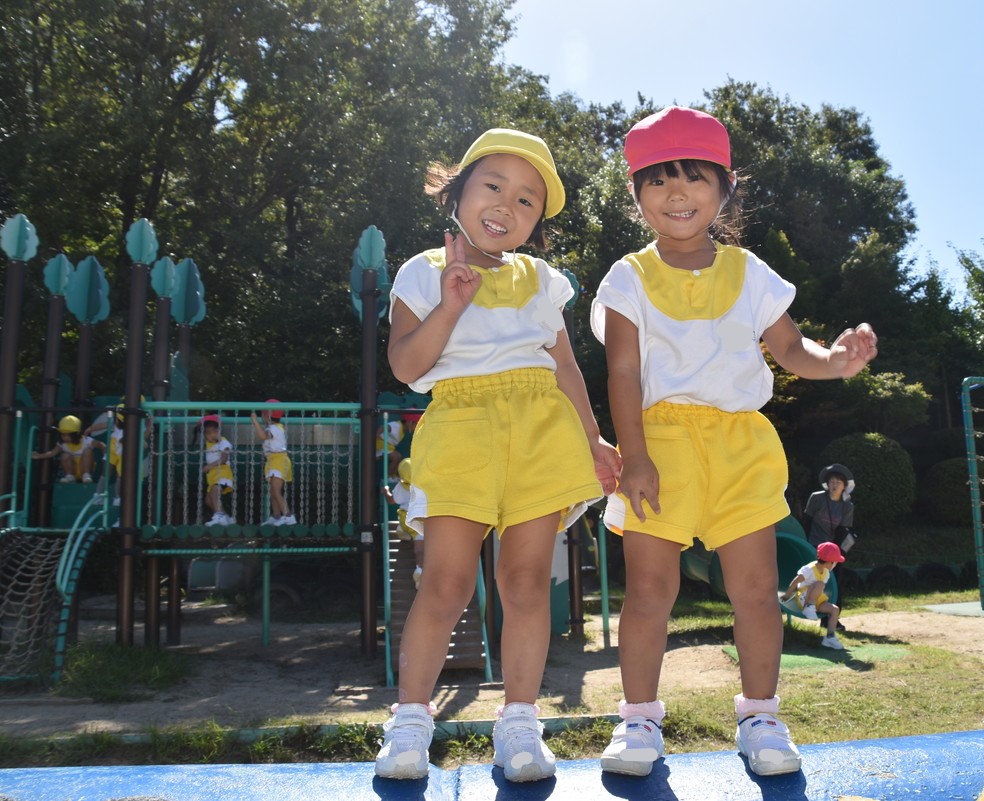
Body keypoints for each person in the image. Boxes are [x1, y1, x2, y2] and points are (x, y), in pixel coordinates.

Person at [590, 106, 877, 777]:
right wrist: (633, 456)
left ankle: (760, 716)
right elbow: (623, 373)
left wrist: (835, 359)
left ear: (724, 189)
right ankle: (637, 721)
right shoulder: (627, 277)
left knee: (754, 589)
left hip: (740, 446)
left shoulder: (750, 271)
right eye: (659, 181)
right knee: (649, 593)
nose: (678, 193)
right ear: (637, 197)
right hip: (658, 443)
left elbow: (790, 348)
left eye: (695, 177)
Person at [375, 128, 621, 783]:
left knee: (525, 582)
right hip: (460, 427)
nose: (507, 204)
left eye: (527, 200)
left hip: (541, 429)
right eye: (493, 185)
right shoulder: (423, 271)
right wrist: (452, 304)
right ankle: (408, 723)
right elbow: (405, 365)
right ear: (457, 189)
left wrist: (593, 438)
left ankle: (518, 723)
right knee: (447, 582)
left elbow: (566, 366)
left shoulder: (542, 281)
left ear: (536, 222)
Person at [783, 541, 846, 650]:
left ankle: (830, 637)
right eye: (835, 562)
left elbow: (819, 590)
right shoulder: (809, 569)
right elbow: (796, 580)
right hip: (804, 597)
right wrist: (787, 595)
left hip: (816, 599)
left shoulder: (826, 572)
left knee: (835, 610)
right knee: (820, 584)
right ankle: (808, 607)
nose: (836, 564)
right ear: (828, 562)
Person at [249, 400, 296, 526]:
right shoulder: (275, 427)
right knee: (272, 490)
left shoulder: (274, 428)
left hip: (279, 460)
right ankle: (276, 516)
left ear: (266, 415)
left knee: (275, 489)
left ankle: (288, 515)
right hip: (273, 460)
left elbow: (263, 436)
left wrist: (255, 422)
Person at [382, 457, 423, 587]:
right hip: (421, 520)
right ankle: (420, 570)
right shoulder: (425, 486)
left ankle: (402, 530)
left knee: (406, 524)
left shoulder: (402, 486)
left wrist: (386, 491)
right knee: (420, 549)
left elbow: (392, 501)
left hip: (406, 518)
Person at [33, 415, 104, 483]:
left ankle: (86, 475)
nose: (64, 437)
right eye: (62, 435)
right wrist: (39, 455)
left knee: (88, 451)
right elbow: (52, 453)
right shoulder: (62, 444)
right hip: (73, 468)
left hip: (85, 467)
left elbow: (98, 444)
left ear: (77, 433)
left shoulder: (85, 440)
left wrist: (105, 449)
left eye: (68, 435)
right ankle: (70, 476)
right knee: (65, 455)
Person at [802, 463, 855, 549]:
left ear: (844, 486)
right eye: (832, 482)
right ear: (827, 484)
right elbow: (806, 522)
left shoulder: (848, 506)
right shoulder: (816, 497)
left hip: (830, 549)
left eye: (838, 482)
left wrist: (836, 553)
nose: (835, 485)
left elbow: (842, 532)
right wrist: (804, 543)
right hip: (811, 543)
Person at [199, 414, 235, 526]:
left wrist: (210, 466)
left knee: (215, 492)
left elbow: (224, 458)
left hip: (222, 472)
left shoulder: (223, 442)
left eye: (214, 431)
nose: (211, 435)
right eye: (208, 433)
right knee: (208, 500)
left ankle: (219, 515)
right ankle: (226, 518)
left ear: (219, 431)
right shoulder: (209, 444)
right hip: (213, 475)